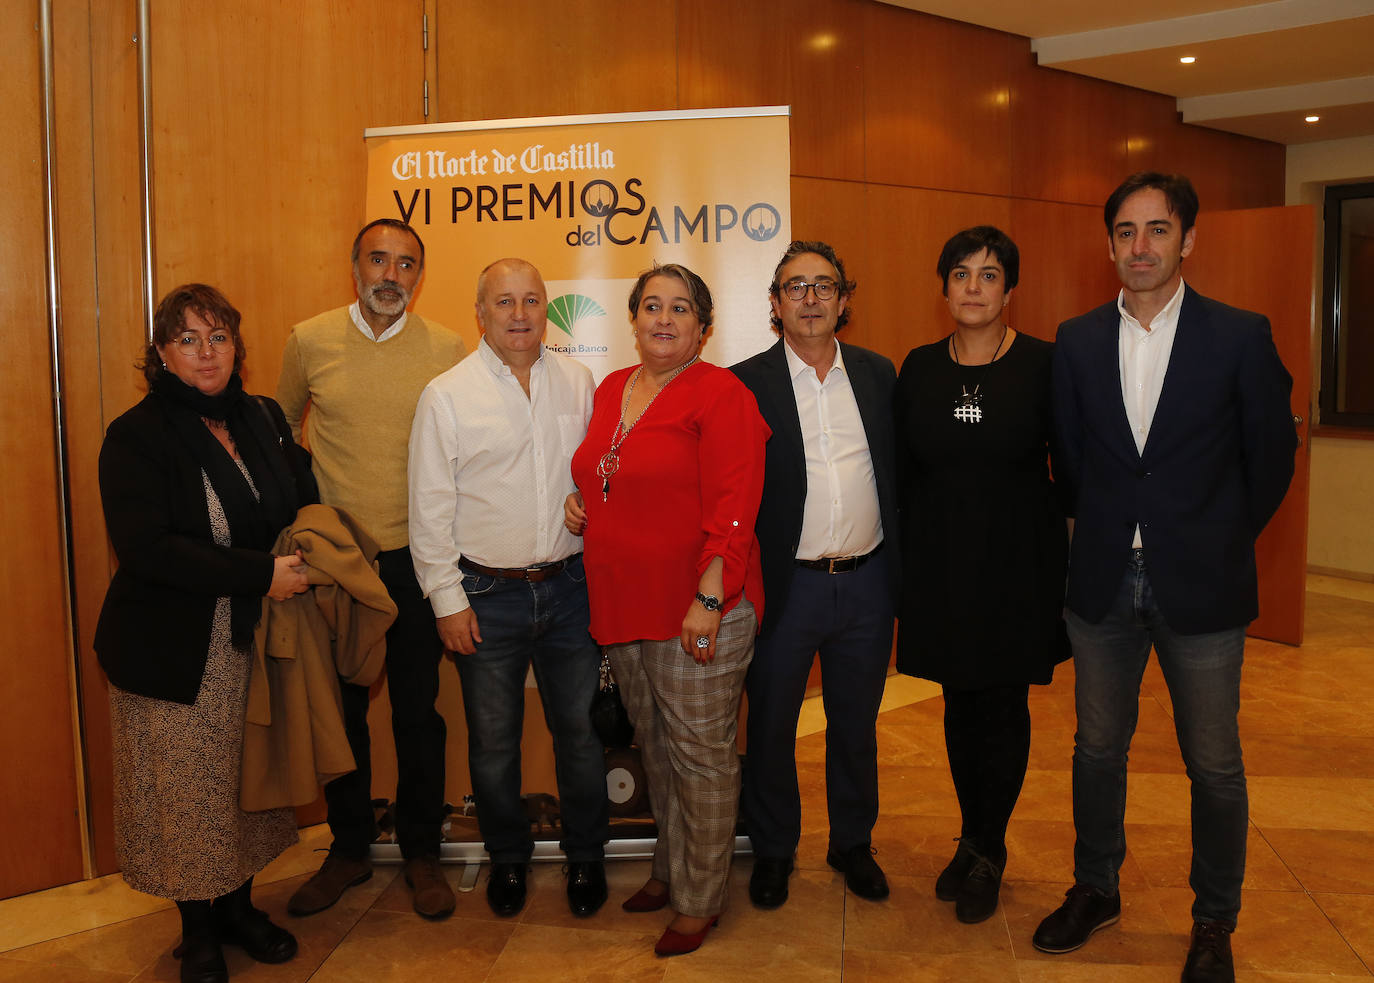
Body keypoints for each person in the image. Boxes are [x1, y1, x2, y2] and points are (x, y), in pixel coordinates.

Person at [1033, 173, 1297, 983]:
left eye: (1156, 230)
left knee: (1213, 762)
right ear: (1108, 242)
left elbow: (1272, 459)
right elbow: (1070, 462)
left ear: (1188, 239)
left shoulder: (1240, 334)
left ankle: (1214, 918)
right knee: (1096, 747)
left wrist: (1212, 537)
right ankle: (1096, 886)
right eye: (1124, 231)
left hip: (1203, 585)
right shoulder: (1076, 339)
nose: (1139, 247)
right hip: (1104, 579)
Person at [95, 284, 318, 983]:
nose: (205, 351)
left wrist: (312, 547)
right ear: (161, 352)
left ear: (237, 346)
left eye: (218, 336)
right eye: (188, 338)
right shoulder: (136, 435)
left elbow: (301, 495)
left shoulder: (263, 416)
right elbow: (149, 546)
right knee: (188, 795)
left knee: (243, 786)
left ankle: (239, 910)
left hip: (258, 636)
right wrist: (261, 573)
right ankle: (197, 932)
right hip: (174, 645)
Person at [565, 263, 769, 956]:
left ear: (702, 326)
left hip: (698, 606)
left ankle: (701, 897)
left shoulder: (723, 393)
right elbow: (606, 470)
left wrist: (710, 597)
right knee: (655, 748)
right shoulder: (613, 387)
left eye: (680, 308)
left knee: (702, 757)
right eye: (651, 305)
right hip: (625, 604)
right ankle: (669, 867)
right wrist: (581, 501)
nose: (663, 317)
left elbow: (735, 510)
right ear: (633, 317)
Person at [276, 219, 467, 919]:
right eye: (378, 259)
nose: (392, 274)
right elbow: (281, 433)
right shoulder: (309, 339)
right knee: (342, 715)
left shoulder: (447, 347)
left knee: (419, 713)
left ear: (419, 275)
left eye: (406, 264)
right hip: (337, 570)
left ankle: (422, 851)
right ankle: (349, 848)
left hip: (417, 562)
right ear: (353, 265)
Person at [408, 258, 610, 919]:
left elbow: (599, 470)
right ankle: (510, 860)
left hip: (570, 585)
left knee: (578, 733)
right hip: (484, 594)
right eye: (504, 302)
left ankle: (586, 857)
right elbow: (429, 508)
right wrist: (447, 599)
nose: (519, 313)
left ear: (546, 309)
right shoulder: (447, 394)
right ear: (481, 313)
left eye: (531, 300)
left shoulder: (580, 382)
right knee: (493, 742)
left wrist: (586, 497)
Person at [893, 226, 1069, 924]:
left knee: (1003, 705)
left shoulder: (1045, 365)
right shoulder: (919, 366)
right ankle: (972, 837)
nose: (973, 286)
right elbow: (904, 474)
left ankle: (988, 848)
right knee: (959, 705)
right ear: (944, 287)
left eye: (989, 274)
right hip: (941, 565)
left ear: (1008, 288)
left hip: (1018, 566)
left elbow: (1071, 470)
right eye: (961, 273)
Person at [732, 240, 899, 909]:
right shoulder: (745, 382)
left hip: (866, 580)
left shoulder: (879, 373)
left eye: (824, 285)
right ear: (775, 303)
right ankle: (774, 849)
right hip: (784, 584)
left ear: (843, 299)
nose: (810, 298)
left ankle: (852, 842)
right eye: (795, 287)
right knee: (771, 725)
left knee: (855, 725)